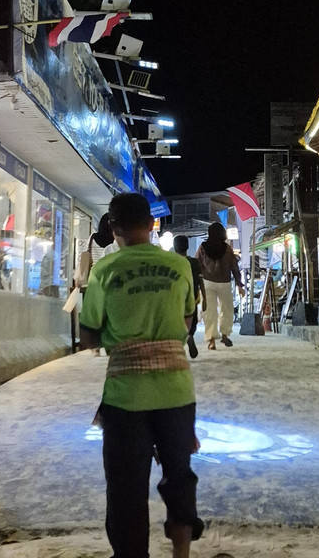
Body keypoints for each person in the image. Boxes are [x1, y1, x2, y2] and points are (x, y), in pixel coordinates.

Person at [79, 193, 204, 558]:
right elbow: (187, 322)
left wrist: (119, 336)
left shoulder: (104, 270)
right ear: (152, 225)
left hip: (125, 397)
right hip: (176, 392)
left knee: (126, 489)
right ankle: (181, 554)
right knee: (179, 476)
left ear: (113, 229)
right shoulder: (180, 266)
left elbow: (88, 334)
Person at [73, 213, 118, 354]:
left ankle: (94, 345)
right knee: (108, 313)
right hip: (109, 280)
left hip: (93, 281)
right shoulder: (115, 241)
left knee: (94, 313)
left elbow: (87, 255)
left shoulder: (93, 238)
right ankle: (108, 341)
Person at [196, 222, 244, 350]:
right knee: (227, 309)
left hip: (207, 282)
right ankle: (225, 335)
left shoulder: (203, 247)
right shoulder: (227, 249)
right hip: (224, 282)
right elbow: (234, 267)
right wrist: (239, 284)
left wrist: (197, 282)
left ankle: (211, 341)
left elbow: (197, 265)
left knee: (209, 311)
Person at [172, 235, 206, 359]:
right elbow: (201, 280)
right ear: (187, 247)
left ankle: (180, 342)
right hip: (193, 296)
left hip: (176, 296)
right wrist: (205, 299)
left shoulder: (172, 262)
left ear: (174, 247)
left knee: (177, 321)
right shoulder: (194, 262)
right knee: (192, 320)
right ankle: (190, 334)